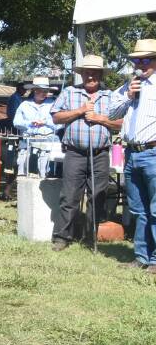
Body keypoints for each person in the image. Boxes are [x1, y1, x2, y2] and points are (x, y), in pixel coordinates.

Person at [50, 55, 121, 251]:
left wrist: (100, 119)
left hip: (100, 154)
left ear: (100, 74)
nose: (91, 77)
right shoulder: (69, 93)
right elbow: (56, 117)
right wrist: (80, 111)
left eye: (95, 73)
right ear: (81, 74)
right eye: (87, 73)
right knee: (70, 196)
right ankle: (62, 237)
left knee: (98, 196)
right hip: (75, 153)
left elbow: (121, 123)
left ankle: (90, 238)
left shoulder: (111, 95)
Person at [108, 39, 156, 273]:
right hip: (132, 153)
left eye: (146, 59)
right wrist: (128, 94)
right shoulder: (127, 86)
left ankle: (155, 261)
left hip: (153, 152)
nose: (141, 64)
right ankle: (141, 257)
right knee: (138, 209)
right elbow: (110, 113)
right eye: (137, 60)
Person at [13, 76, 59, 177]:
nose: (44, 93)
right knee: (25, 172)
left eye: (46, 91)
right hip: (28, 142)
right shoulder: (24, 105)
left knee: (46, 173)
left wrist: (46, 122)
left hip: (48, 142)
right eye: (41, 90)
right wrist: (29, 123)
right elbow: (16, 122)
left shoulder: (54, 104)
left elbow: (60, 124)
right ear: (34, 90)